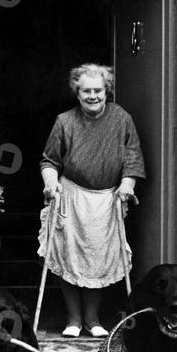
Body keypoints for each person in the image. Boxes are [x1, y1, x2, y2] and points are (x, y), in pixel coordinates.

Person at [38, 63, 145, 337]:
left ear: (106, 91)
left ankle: (93, 320)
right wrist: (51, 184)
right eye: (86, 91)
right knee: (68, 257)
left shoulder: (122, 119)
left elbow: (133, 159)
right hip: (71, 195)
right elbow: (49, 161)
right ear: (77, 92)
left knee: (100, 259)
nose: (93, 96)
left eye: (98, 90)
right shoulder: (65, 121)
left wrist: (126, 186)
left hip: (106, 199)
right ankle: (73, 320)